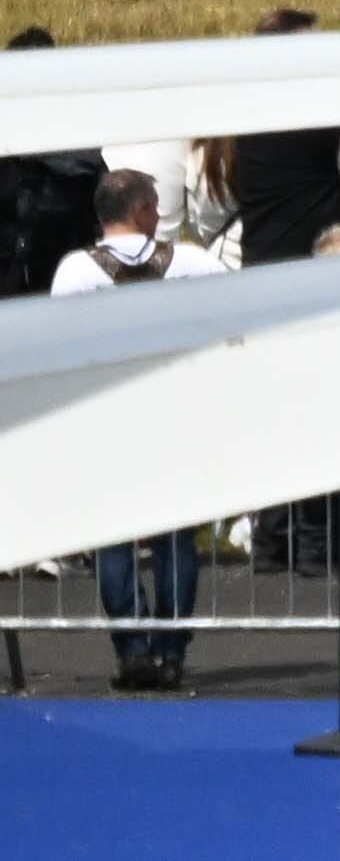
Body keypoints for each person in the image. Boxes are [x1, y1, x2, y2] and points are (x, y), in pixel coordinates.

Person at [45, 175, 209, 686]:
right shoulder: (189, 263)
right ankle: (172, 652)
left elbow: (60, 344)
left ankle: (133, 650)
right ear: (139, 209)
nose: (159, 215)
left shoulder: (75, 270)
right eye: (155, 207)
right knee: (176, 535)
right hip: (172, 413)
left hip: (107, 417)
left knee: (113, 537)